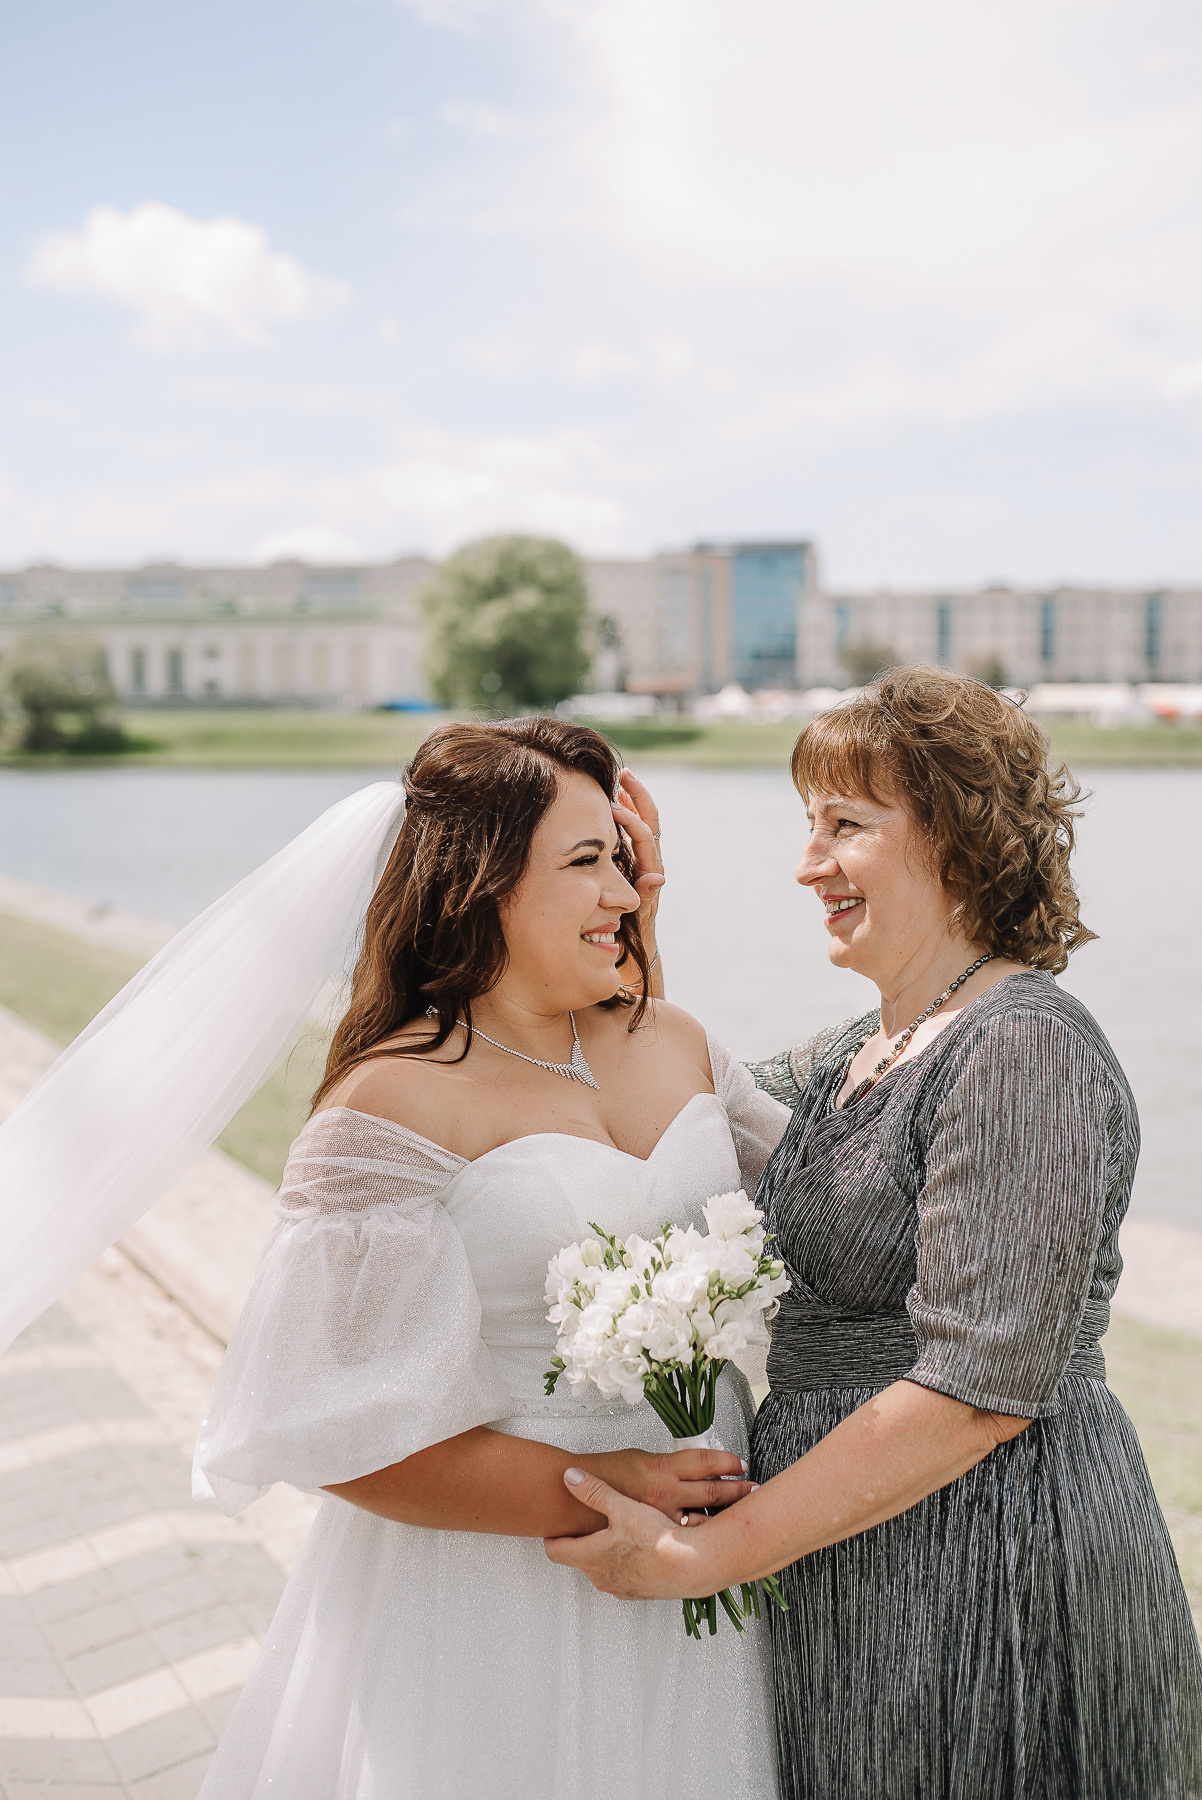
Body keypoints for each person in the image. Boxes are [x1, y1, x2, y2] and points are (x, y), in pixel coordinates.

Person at [547, 666, 1202, 1800]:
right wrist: (632, 922)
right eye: (809, 827)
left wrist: (703, 1557)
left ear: (954, 837)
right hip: (854, 1566)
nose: (807, 865)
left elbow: (975, 1389)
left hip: (994, 1572)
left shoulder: (1018, 1045)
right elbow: (678, 1114)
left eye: (843, 826)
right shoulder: (859, 1045)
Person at [190, 717, 788, 1799]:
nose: (624, 886)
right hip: (491, 1602)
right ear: (482, 883)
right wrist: (607, 1483)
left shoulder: (675, 1038)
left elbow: (821, 1209)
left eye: (622, 854)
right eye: (583, 861)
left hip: (700, 1576)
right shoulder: (391, 1101)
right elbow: (341, 1435)